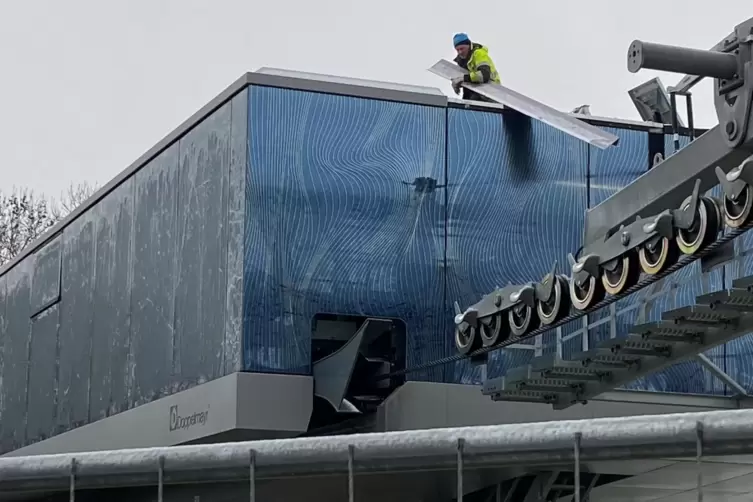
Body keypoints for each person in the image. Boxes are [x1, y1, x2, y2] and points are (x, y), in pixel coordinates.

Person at [451, 33, 500, 102]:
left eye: (462, 49)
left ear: (468, 45)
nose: (460, 52)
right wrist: (457, 83)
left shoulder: (478, 53)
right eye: (457, 50)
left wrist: (462, 78)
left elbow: (484, 75)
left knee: (473, 102)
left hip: (492, 91)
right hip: (477, 89)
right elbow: (469, 80)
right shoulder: (462, 61)